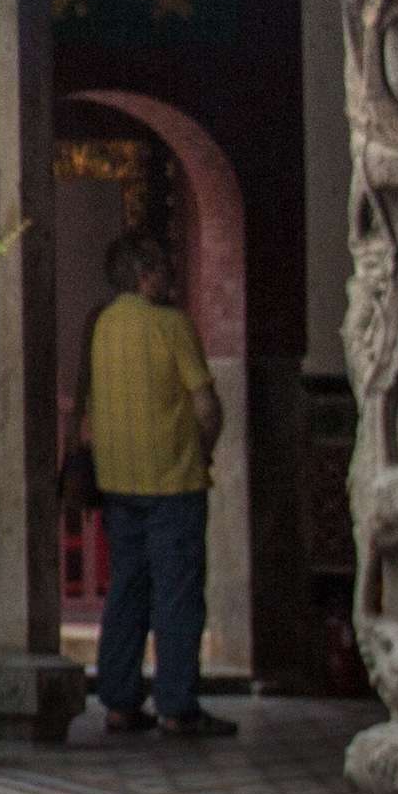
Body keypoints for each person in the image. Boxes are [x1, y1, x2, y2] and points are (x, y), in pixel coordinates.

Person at [70, 232, 230, 738]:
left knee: (126, 591)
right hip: (173, 480)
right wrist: (202, 449)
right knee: (178, 594)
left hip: (118, 481)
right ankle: (178, 705)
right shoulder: (170, 326)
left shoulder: (101, 326)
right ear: (145, 275)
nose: (170, 276)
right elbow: (206, 407)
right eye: (162, 267)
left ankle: (118, 701)